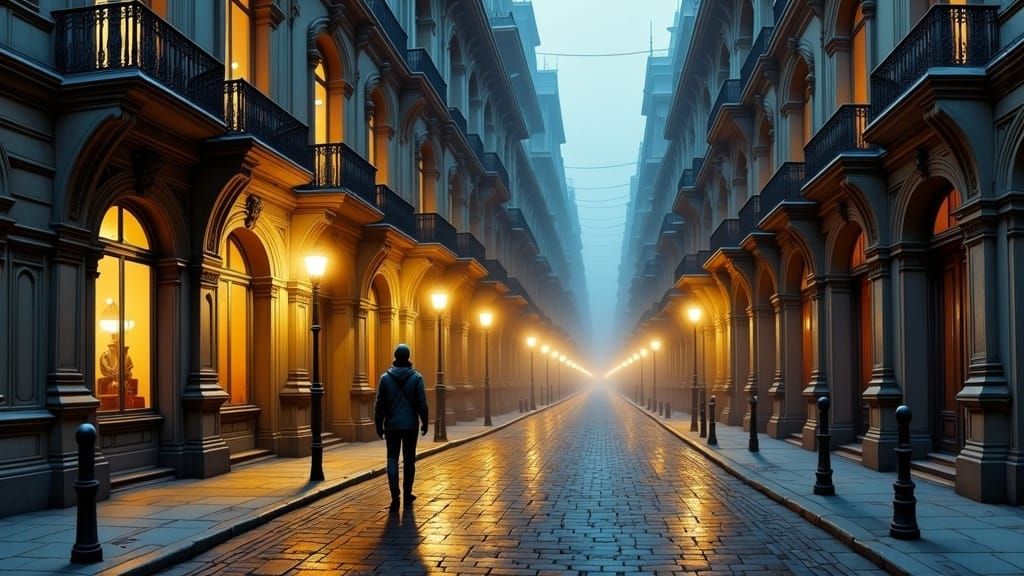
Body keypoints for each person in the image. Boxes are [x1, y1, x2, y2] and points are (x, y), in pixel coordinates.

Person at [374, 344, 429, 508]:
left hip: (391, 425)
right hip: (410, 425)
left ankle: (395, 496)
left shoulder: (385, 378)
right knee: (409, 460)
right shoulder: (417, 378)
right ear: (408, 357)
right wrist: (424, 421)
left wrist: (378, 423)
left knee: (392, 459)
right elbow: (422, 403)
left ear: (395, 357)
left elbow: (379, 404)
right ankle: (407, 492)